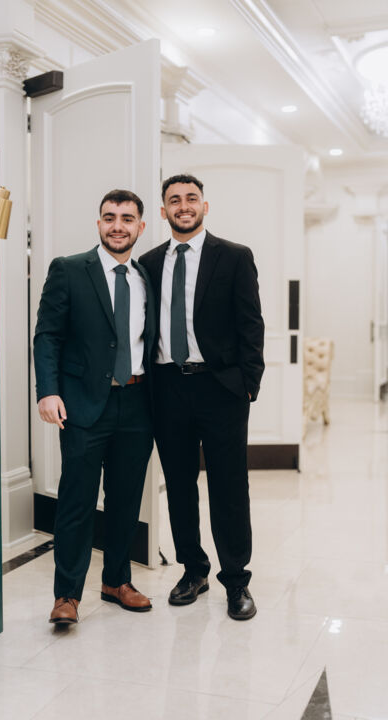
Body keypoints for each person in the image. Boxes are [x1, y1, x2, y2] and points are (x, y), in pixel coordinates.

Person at [139, 174, 264, 620]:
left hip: (221, 387)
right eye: (174, 200)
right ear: (163, 211)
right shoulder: (148, 263)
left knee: (229, 486)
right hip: (167, 386)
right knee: (178, 485)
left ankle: (236, 579)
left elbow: (251, 323)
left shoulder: (233, 256)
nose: (184, 205)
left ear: (204, 206)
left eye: (191, 198)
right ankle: (194, 570)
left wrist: (249, 381)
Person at [34, 189, 155, 624]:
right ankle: (67, 595)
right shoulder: (68, 269)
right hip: (83, 406)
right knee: (77, 501)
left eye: (127, 218)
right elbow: (47, 335)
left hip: (138, 404)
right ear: (99, 223)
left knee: (125, 500)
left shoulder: (146, 277)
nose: (117, 226)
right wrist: (48, 391)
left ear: (141, 226)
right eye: (109, 217)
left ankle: (116, 582)